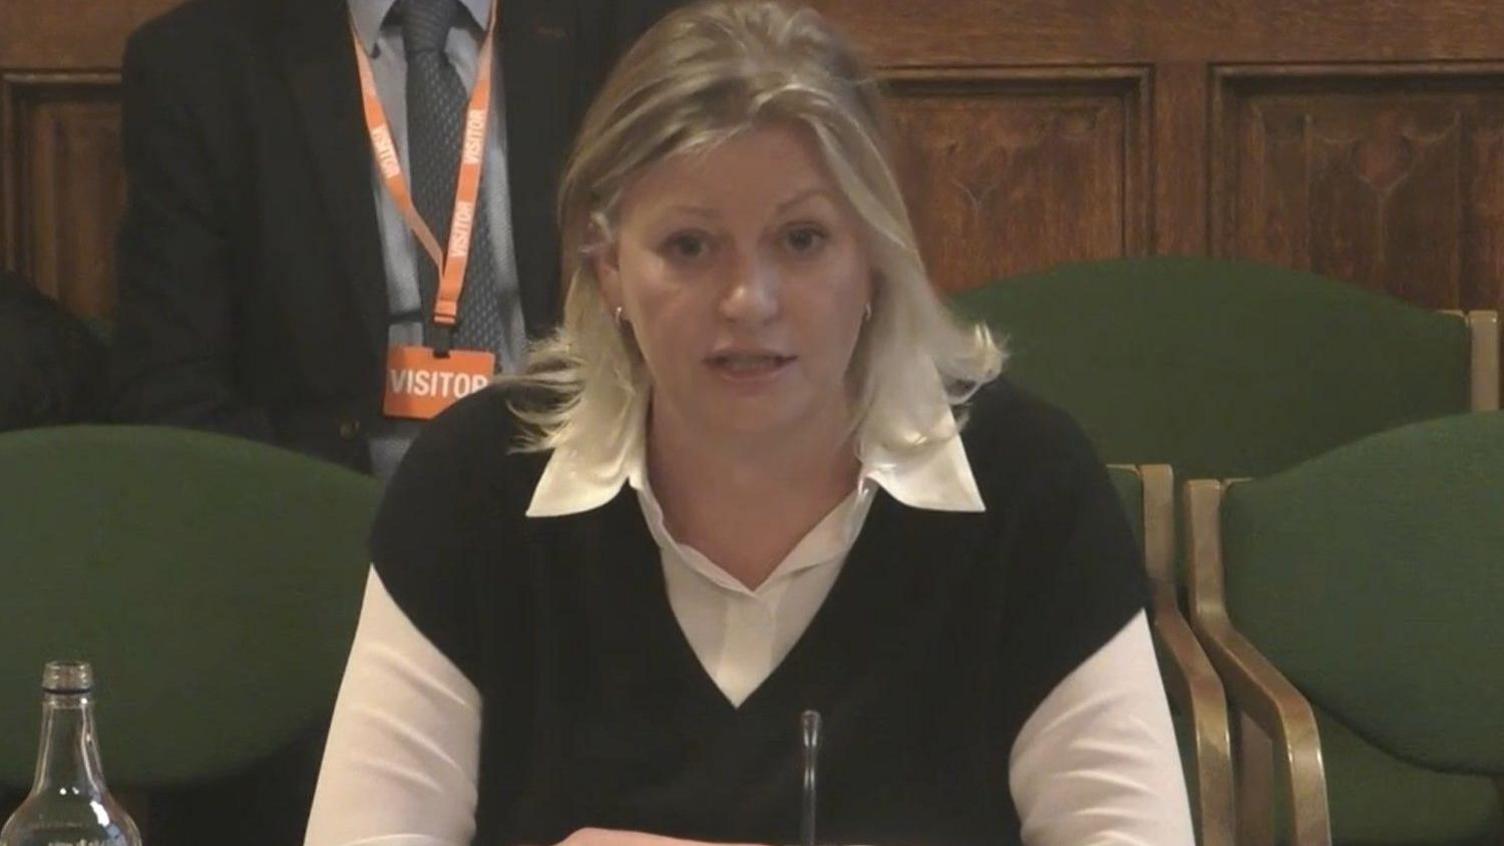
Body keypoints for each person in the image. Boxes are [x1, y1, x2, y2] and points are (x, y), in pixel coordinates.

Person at [305, 1, 1196, 843]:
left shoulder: (1027, 486)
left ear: (877, 256)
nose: (748, 300)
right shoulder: (474, 487)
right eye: (689, 246)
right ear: (608, 266)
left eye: (802, 241)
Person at [108, 0, 684, 479]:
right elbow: (171, 392)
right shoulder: (200, 65)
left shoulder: (639, 32)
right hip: (334, 530)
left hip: (587, 506)